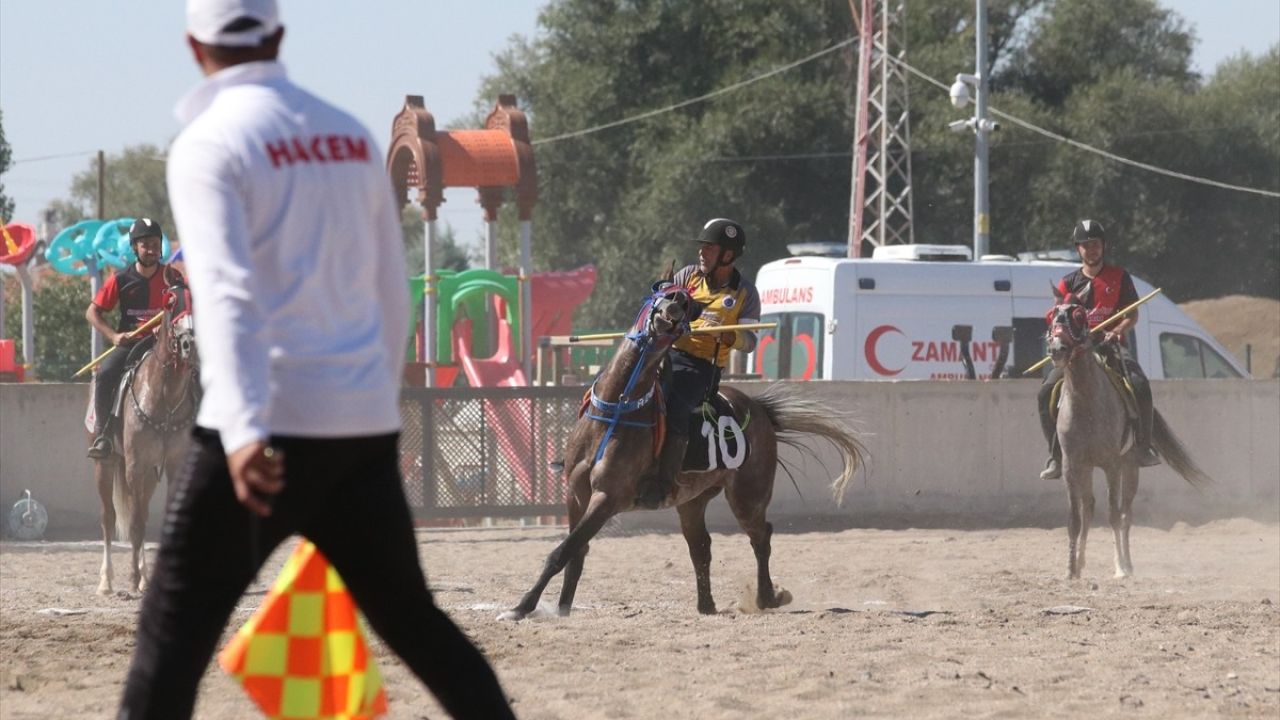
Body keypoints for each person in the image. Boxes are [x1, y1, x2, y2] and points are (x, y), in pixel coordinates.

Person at [117, 1, 516, 718]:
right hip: (358, 433)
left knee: (168, 649)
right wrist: (375, 404)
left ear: (193, 46)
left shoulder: (206, 145)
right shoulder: (347, 135)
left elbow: (229, 298)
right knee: (418, 628)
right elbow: (392, 286)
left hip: (260, 433)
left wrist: (240, 433)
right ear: (278, 36)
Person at [637, 218, 761, 508]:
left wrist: (726, 333)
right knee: (617, 382)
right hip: (665, 354)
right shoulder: (688, 275)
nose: (701, 253)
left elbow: (751, 342)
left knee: (676, 406)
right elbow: (666, 300)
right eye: (701, 247)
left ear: (728, 255)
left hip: (702, 369)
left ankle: (665, 482)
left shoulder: (746, 294)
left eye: (709, 248)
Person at [1038, 219, 1159, 480]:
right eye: (1085, 245)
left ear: (1103, 246)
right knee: (1045, 392)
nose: (1091, 250)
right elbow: (1057, 317)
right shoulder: (1067, 283)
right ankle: (1056, 456)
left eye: (1095, 244)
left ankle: (1143, 446)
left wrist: (1117, 330)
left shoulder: (1119, 276)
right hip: (1075, 353)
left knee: (1139, 384)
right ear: (1078, 249)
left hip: (1109, 346)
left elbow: (1132, 314)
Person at [86, 218, 183, 459]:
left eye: (154, 243)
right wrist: (114, 335)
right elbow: (92, 312)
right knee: (105, 374)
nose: (151, 249)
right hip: (131, 343)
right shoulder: (120, 279)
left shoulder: (173, 277)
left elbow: (186, 305)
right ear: (134, 248)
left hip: (167, 343)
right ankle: (104, 434)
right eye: (144, 245)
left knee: (197, 372)